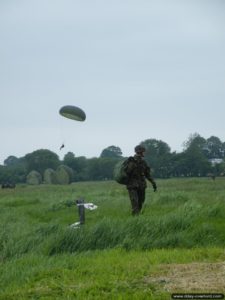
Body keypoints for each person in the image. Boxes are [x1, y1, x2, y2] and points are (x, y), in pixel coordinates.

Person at [125, 145, 157, 215]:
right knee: (135, 203)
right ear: (140, 152)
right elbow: (127, 172)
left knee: (141, 203)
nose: (144, 153)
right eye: (143, 151)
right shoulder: (131, 161)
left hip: (141, 185)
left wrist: (153, 183)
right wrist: (132, 164)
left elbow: (147, 174)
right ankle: (135, 219)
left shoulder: (143, 162)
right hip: (132, 186)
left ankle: (138, 217)